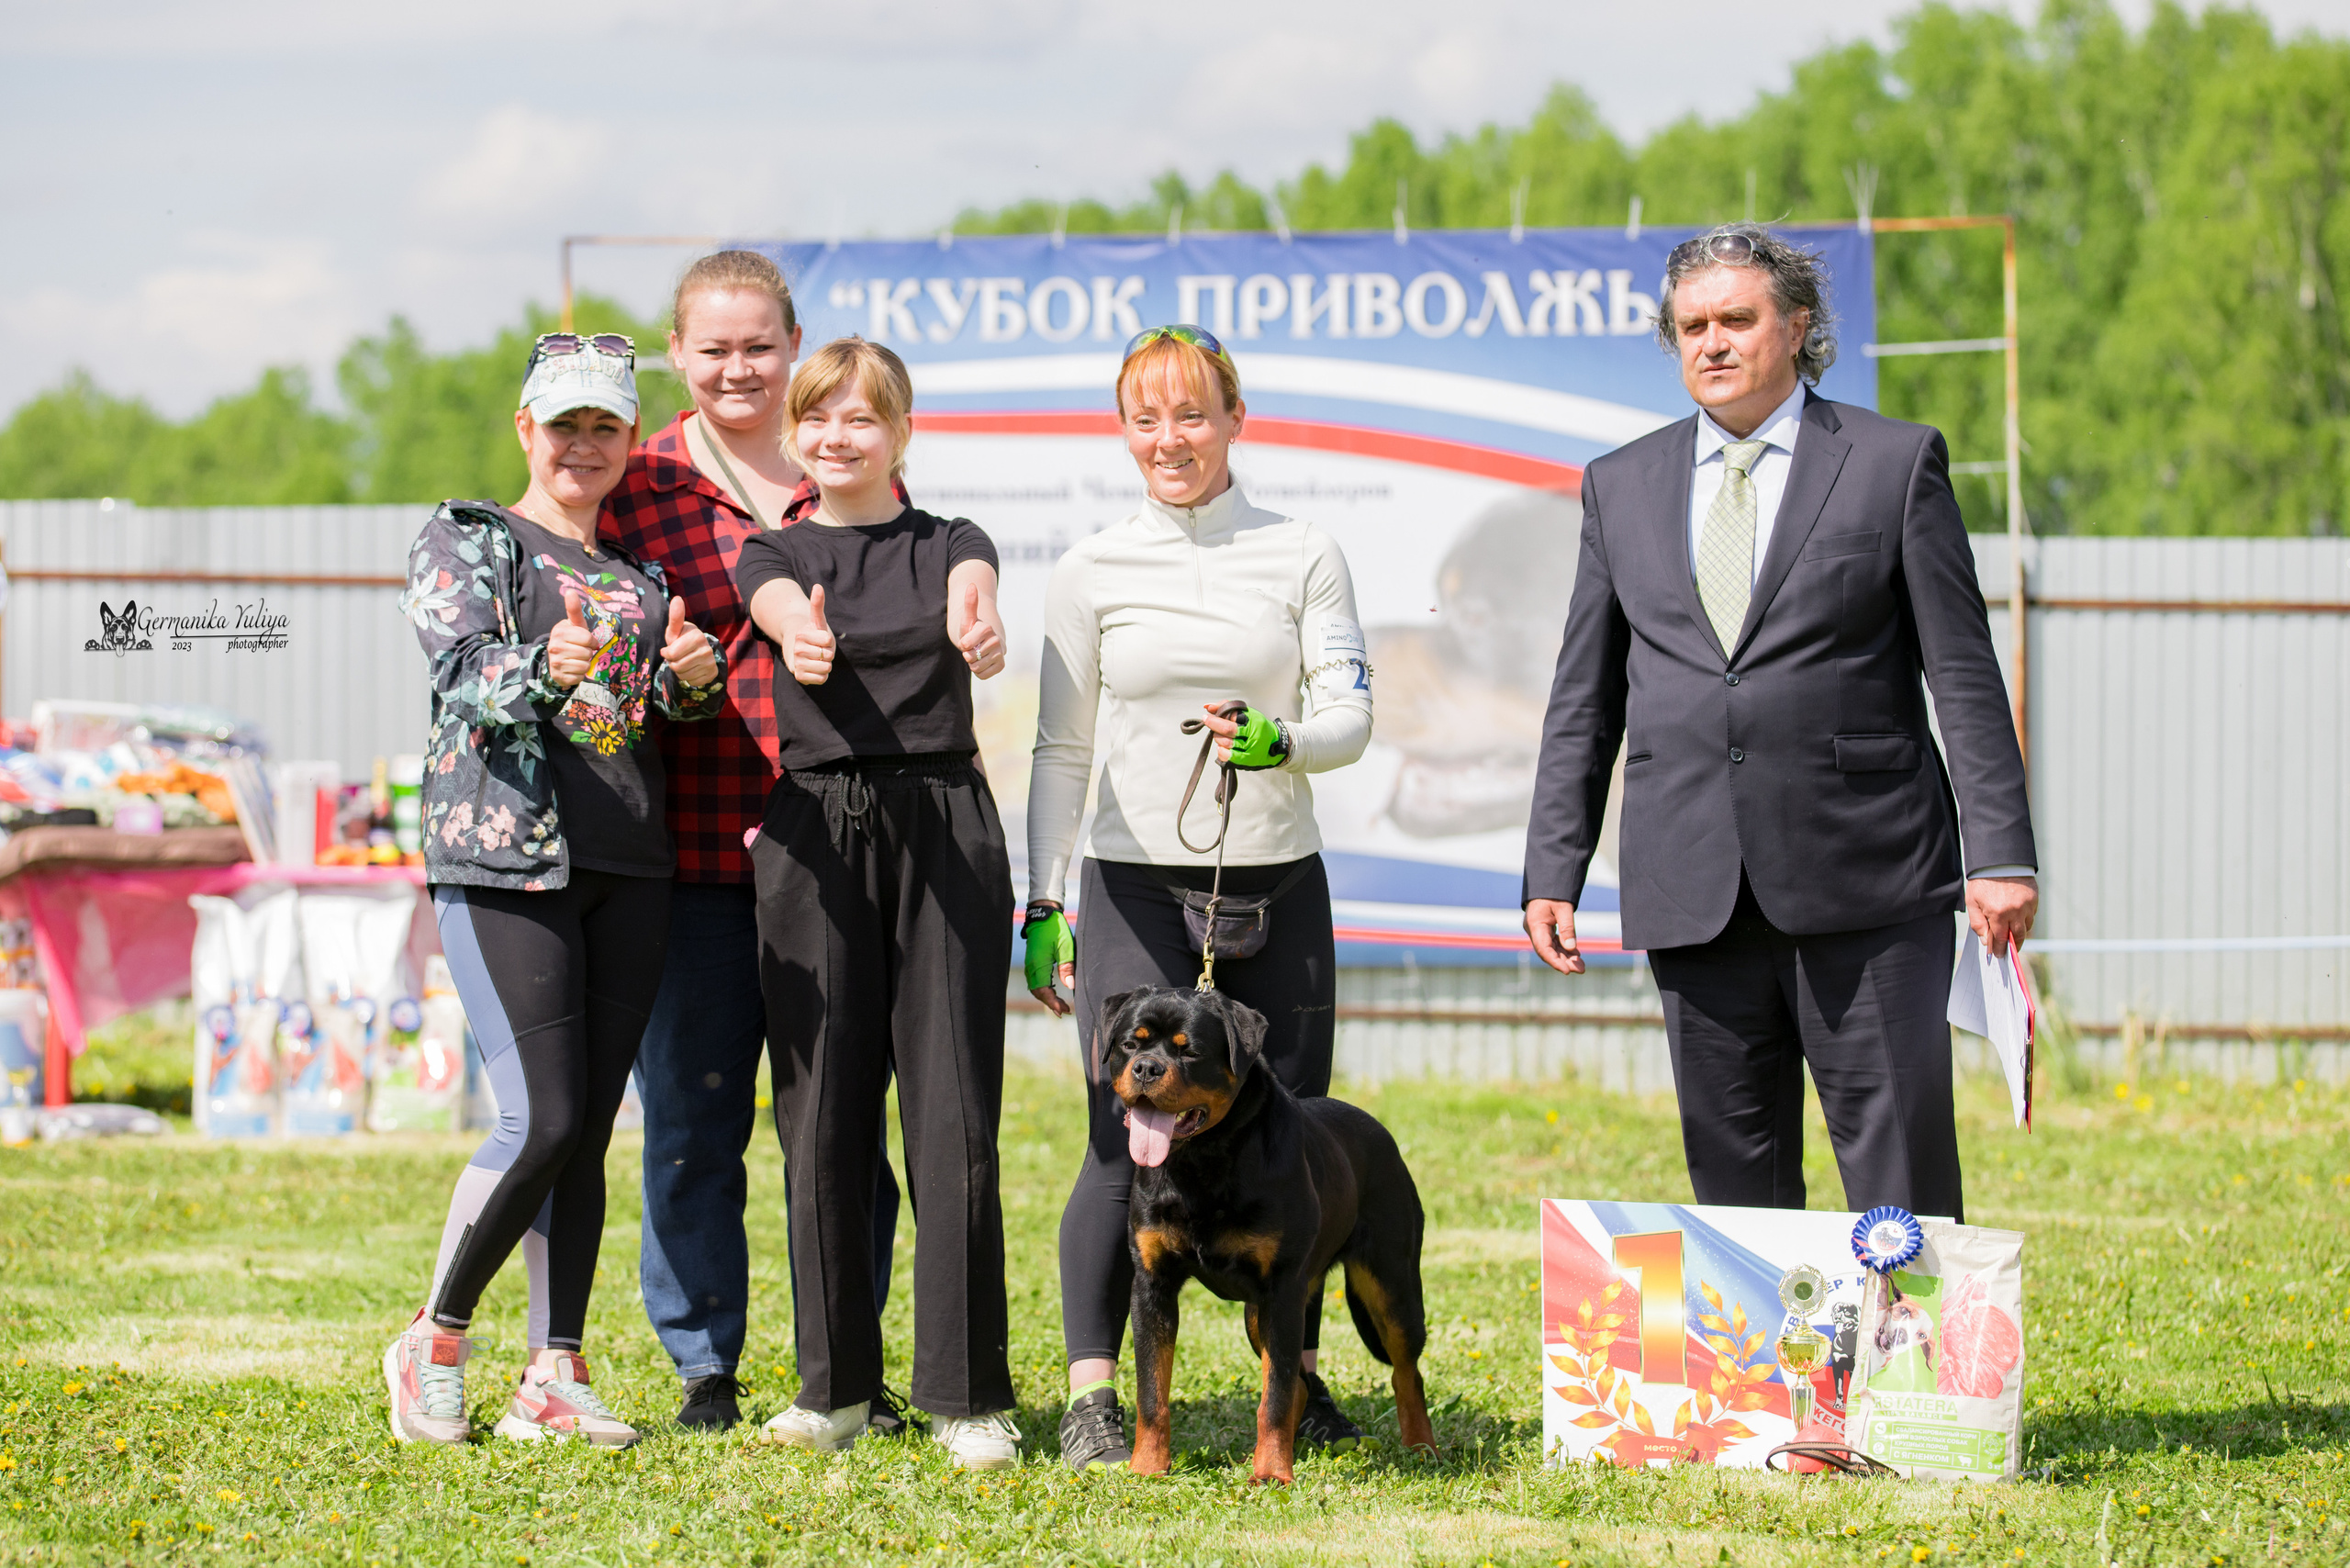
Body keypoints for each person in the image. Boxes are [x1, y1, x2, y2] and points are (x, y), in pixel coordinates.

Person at [1520, 222, 2038, 1224]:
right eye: (1692, 327)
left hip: (1869, 880)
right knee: (1734, 1192)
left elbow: (1964, 676)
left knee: (1899, 1175)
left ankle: (1910, 1337)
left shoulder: (1893, 464)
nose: (1712, 343)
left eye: (1737, 320)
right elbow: (1585, 696)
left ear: (1797, 327)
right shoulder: (1619, 485)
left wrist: (2001, 855)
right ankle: (1762, 1341)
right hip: (1692, 884)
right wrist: (1553, 867)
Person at [1025, 324, 1377, 1472]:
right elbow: (1060, 749)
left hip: (1277, 878)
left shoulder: (1304, 551)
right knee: (1122, 1139)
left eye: (1191, 414)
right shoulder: (1089, 568)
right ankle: (1093, 1395)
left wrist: (1286, 742)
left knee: (1295, 1136)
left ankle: (1297, 1383)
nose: (1168, 438)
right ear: (1122, 430)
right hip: (1131, 884)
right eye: (1145, 418)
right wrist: (1041, 898)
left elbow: (1349, 716)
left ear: (1233, 419)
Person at [386, 332, 726, 1448]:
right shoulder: (470, 536)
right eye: (564, 423)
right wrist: (543, 665)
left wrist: (689, 682)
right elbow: (459, 671)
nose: (584, 443)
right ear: (525, 429)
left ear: (629, 440)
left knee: (584, 1135)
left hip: (629, 867)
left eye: (605, 426)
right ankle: (433, 1339)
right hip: (504, 858)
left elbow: (628, 717)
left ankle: (553, 1370)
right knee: (542, 1116)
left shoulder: (639, 580)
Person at [603, 251, 904, 1437]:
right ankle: (704, 1367)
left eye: (759, 346)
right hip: (693, 862)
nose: (739, 368)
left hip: (837, 853)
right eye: (714, 348)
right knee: (692, 1126)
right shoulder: (637, 486)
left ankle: (849, 1368)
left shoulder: (843, 468)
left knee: (843, 1127)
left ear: (792, 346)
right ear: (677, 353)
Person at [734, 336, 1022, 1470]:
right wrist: (795, 631)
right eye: (817, 417)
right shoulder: (777, 551)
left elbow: (974, 590)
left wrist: (978, 623)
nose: (837, 436)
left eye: (861, 417)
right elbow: (770, 603)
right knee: (820, 1117)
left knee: (952, 1114)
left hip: (944, 824)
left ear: (901, 432)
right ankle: (835, 1390)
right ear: (795, 433)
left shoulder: (952, 543)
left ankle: (967, 1395)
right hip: (817, 832)